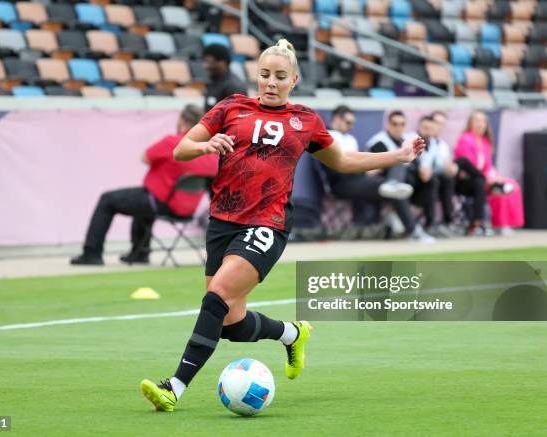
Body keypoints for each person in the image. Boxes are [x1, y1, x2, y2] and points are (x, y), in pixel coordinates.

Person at [139, 39, 426, 412]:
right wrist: (206, 147)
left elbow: (342, 160)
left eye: (279, 76)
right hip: (222, 221)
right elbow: (181, 149)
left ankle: (175, 387)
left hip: (267, 223)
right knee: (230, 322)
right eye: (264, 75)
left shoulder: (305, 120)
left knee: (216, 296)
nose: (270, 83)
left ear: (294, 79)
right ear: (255, 76)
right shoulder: (230, 107)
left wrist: (398, 156)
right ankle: (292, 333)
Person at [70, 105, 218, 266]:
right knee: (142, 203)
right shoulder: (210, 150)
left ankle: (92, 253)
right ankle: (140, 252)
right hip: (188, 209)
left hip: (162, 202)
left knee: (107, 200)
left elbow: (146, 157)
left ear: (182, 120)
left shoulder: (173, 142)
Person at [321, 105, 415, 227]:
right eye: (348, 122)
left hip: (358, 178)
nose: (351, 126)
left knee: (396, 172)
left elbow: (355, 161)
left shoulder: (350, 139)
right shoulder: (327, 135)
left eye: (352, 122)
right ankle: (409, 226)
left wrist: (367, 169)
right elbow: (336, 166)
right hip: (340, 183)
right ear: (336, 119)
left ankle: (393, 189)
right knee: (394, 187)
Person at [366, 111, 435, 243]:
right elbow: (378, 168)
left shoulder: (406, 141)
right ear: (387, 125)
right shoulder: (378, 142)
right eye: (395, 124)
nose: (398, 127)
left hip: (407, 182)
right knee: (397, 181)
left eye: (402, 124)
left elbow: (416, 164)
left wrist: (423, 170)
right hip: (384, 183)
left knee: (432, 181)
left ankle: (429, 225)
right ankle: (412, 229)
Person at [454, 110, 524, 235]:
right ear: (470, 123)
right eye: (477, 121)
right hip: (467, 181)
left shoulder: (486, 143)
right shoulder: (465, 139)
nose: (480, 124)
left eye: (483, 121)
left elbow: (488, 167)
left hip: (483, 179)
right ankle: (478, 223)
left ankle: (505, 224)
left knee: (510, 184)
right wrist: (488, 178)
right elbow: (467, 166)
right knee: (483, 183)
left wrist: (494, 177)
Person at [202, 44, 247, 112]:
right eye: (205, 62)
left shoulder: (234, 87)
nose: (206, 66)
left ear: (223, 62)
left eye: (210, 62)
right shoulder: (213, 80)